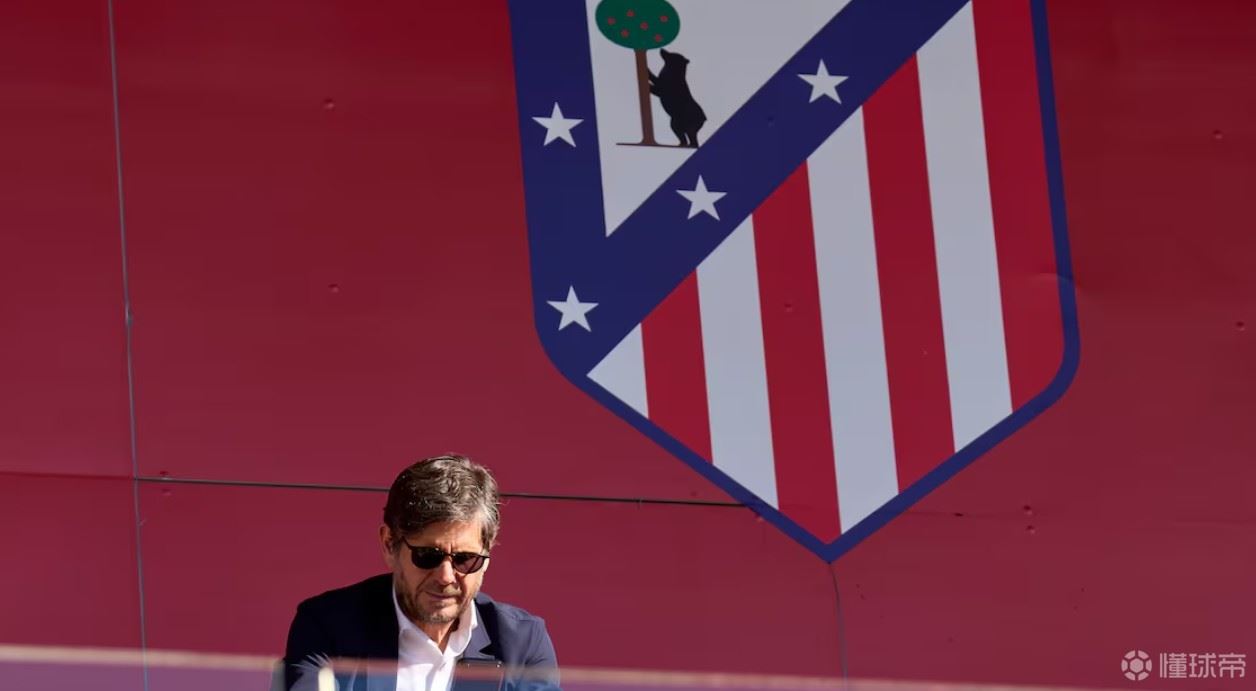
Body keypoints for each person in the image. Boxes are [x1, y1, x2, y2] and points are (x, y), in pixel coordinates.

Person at [283, 454, 559, 691]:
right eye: (428, 556)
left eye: (465, 559)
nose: (446, 576)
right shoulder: (328, 627)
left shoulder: (521, 643)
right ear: (389, 545)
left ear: (487, 556)